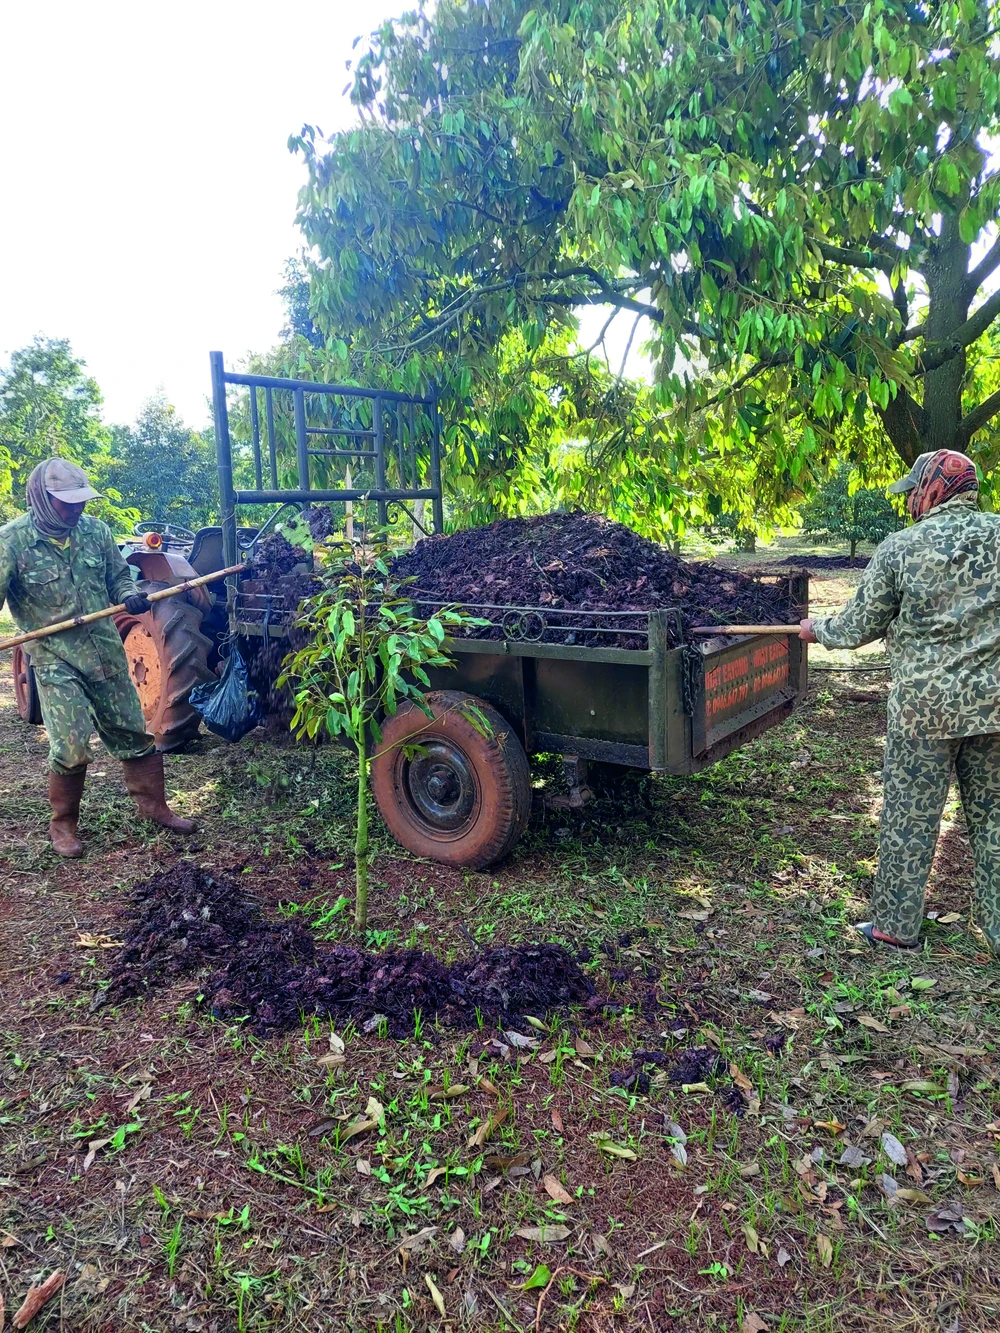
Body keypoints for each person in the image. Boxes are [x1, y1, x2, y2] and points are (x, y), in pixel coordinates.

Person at [799, 449, 1000, 953]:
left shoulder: (900, 548)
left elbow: (855, 628)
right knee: (996, 820)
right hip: (995, 707)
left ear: (933, 487)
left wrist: (814, 629)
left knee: (909, 818)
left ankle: (896, 926)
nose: (909, 499)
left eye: (914, 489)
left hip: (923, 713)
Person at [0, 458, 196, 856]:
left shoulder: (96, 532)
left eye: (80, 502)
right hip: (55, 656)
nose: (76, 509)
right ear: (41, 498)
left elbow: (118, 577)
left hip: (104, 649)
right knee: (71, 745)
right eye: (65, 503)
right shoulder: (12, 541)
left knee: (133, 731)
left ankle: (155, 807)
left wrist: (127, 594)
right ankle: (64, 826)